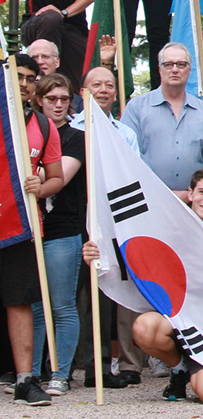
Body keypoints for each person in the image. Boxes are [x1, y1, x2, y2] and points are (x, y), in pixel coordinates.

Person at [86, 167, 203, 403]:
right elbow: (130, 255)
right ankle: (179, 368)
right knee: (144, 328)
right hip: (177, 318)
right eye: (202, 192)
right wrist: (98, 255)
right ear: (190, 194)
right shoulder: (168, 231)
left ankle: (201, 371)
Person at [2, 56, 59, 405]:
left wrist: (41, 187)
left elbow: (55, 177)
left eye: (29, 78)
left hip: (22, 225)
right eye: (16, 76)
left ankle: (26, 379)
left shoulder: (43, 124)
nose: (23, 83)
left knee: (19, 300)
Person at [27, 74, 85, 397]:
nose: (59, 105)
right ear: (39, 100)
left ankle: (60, 373)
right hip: (31, 230)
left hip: (62, 228)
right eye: (52, 99)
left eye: (65, 99)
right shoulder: (26, 132)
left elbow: (58, 176)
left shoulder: (76, 138)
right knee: (33, 305)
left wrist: (34, 177)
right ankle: (30, 373)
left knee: (62, 304)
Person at [70, 66, 138, 151]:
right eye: (97, 85)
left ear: (115, 95)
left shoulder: (126, 134)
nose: (103, 90)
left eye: (109, 86)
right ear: (83, 93)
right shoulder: (70, 126)